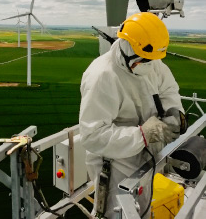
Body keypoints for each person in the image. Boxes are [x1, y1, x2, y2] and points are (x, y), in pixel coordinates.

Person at [79, 12, 185, 219]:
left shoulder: (150, 59)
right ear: (127, 45)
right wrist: (143, 135)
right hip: (115, 165)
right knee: (118, 214)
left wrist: (174, 112)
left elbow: (168, 90)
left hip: (146, 158)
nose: (148, 64)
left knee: (142, 208)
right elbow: (92, 135)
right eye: (144, 59)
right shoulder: (102, 76)